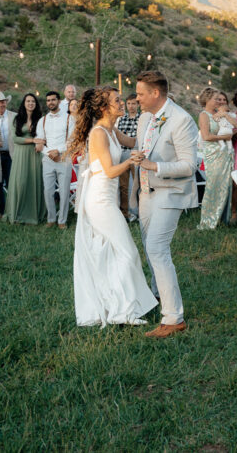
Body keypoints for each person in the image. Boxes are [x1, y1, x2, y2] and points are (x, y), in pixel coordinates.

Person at [69, 86, 156, 327]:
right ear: (103, 107)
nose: (121, 103)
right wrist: (131, 161)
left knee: (115, 253)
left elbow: (135, 141)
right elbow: (109, 171)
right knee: (128, 253)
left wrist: (154, 121)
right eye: (117, 100)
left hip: (106, 199)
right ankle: (123, 312)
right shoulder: (98, 133)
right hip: (99, 200)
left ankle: (117, 307)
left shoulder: (111, 130)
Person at [133, 70, 199, 339]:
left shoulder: (182, 120)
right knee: (150, 250)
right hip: (146, 193)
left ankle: (173, 318)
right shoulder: (145, 118)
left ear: (155, 93)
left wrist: (154, 165)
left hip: (171, 192)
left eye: (140, 93)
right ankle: (158, 295)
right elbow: (139, 146)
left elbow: (189, 165)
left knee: (157, 249)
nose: (136, 98)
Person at [4, 93, 47, 225]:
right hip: (21, 154)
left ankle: (34, 214)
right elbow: (15, 139)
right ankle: (17, 213)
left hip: (35, 154)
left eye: (33, 101)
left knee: (34, 182)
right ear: (24, 103)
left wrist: (40, 142)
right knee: (20, 182)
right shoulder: (17, 119)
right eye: (28, 101)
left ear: (36, 104)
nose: (30, 103)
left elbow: (45, 136)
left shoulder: (40, 119)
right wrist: (33, 140)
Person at [197, 88, 235, 230]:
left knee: (225, 186)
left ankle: (222, 219)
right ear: (207, 100)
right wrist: (224, 137)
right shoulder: (204, 115)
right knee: (213, 187)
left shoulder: (219, 114)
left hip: (226, 154)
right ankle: (208, 221)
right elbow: (206, 136)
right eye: (215, 99)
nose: (218, 101)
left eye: (220, 99)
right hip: (213, 154)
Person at [36, 90, 72, 228]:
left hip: (64, 158)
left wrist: (58, 151)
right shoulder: (42, 120)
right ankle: (51, 219)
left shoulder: (69, 119)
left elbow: (72, 140)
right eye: (48, 100)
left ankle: (62, 221)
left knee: (64, 191)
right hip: (48, 159)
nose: (51, 102)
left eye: (53, 100)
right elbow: (40, 141)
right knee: (48, 190)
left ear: (59, 101)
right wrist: (49, 153)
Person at [0, 91, 17, 217]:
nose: (1, 104)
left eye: (3, 102)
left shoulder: (14, 116)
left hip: (11, 155)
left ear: (6, 102)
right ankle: (0, 210)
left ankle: (13, 209)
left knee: (12, 182)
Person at [116, 93, 141, 219]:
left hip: (135, 153)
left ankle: (136, 212)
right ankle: (124, 212)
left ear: (138, 104)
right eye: (129, 103)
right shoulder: (122, 119)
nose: (131, 106)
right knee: (123, 185)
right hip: (123, 153)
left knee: (136, 184)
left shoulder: (142, 118)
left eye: (133, 103)